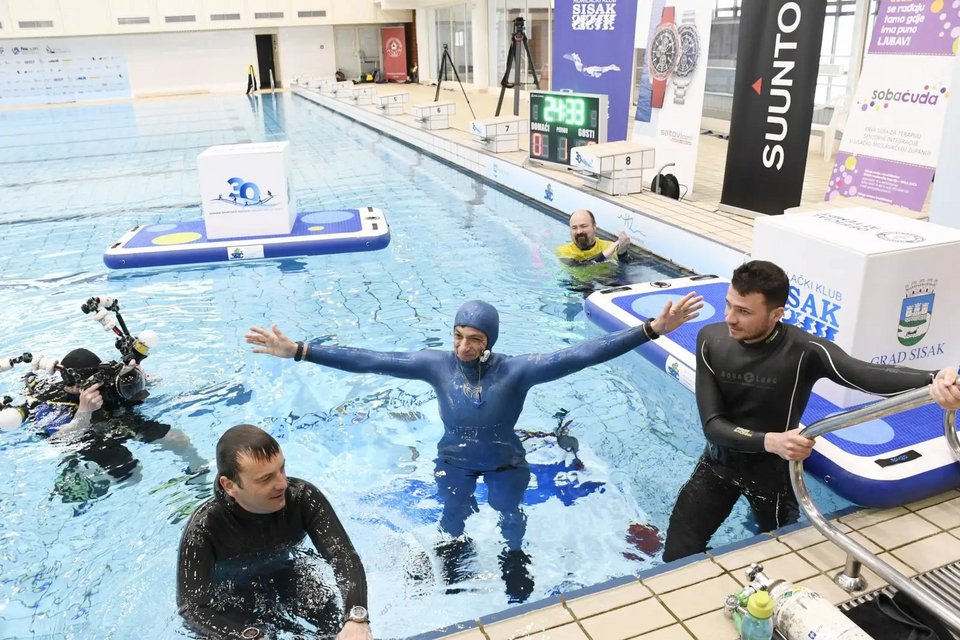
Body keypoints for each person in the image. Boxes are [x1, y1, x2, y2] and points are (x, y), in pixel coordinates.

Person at [246, 293, 703, 602]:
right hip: (454, 462)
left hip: (505, 461)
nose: (463, 347)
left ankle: (514, 556)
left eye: (475, 339)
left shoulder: (517, 371)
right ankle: (454, 547)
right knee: (452, 514)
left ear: (490, 342)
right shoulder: (436, 366)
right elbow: (371, 360)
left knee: (510, 513)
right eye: (458, 335)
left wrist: (650, 330)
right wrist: (300, 350)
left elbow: (582, 353)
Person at [661, 260, 960, 562]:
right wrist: (770, 441)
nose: (730, 318)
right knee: (676, 554)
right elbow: (713, 425)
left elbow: (864, 374)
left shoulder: (805, 351)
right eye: (729, 305)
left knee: (778, 558)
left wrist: (933, 378)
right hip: (717, 466)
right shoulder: (711, 340)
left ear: (776, 314)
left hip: (773, 479)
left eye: (744, 311)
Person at [177, 424, 372, 640]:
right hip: (231, 595)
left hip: (287, 573)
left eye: (282, 469)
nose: (282, 484)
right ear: (230, 486)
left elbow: (342, 555)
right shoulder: (204, 528)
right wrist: (246, 637)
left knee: (336, 626)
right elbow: (192, 608)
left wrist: (356, 617)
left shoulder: (303, 498)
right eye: (266, 479)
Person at [25, 347, 207, 502]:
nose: (98, 386)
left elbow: (155, 385)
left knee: (178, 439)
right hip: (88, 435)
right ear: (71, 384)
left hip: (117, 418)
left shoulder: (106, 382)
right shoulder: (51, 404)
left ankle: (200, 481)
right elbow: (60, 440)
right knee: (132, 474)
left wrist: (139, 377)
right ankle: (78, 485)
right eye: (91, 383)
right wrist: (83, 413)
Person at [555, 209, 631, 265]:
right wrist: (603, 256)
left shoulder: (608, 246)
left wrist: (622, 253)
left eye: (583, 226)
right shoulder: (563, 251)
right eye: (574, 228)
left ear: (594, 227)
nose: (579, 231)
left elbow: (625, 266)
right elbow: (578, 268)